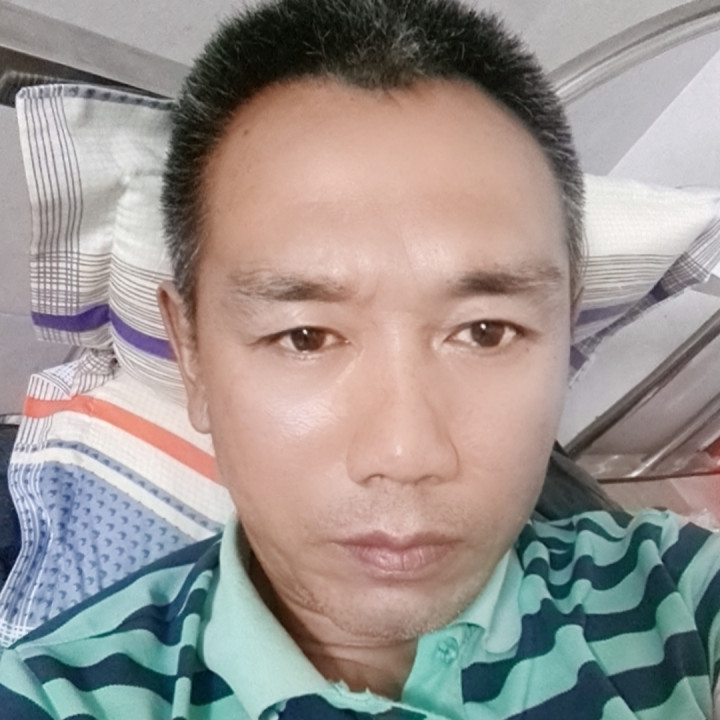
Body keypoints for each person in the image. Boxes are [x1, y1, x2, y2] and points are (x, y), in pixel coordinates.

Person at [0, 0, 718, 718]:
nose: (405, 454)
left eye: (485, 331)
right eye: (305, 337)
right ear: (191, 357)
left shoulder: (671, 594)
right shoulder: (55, 696)